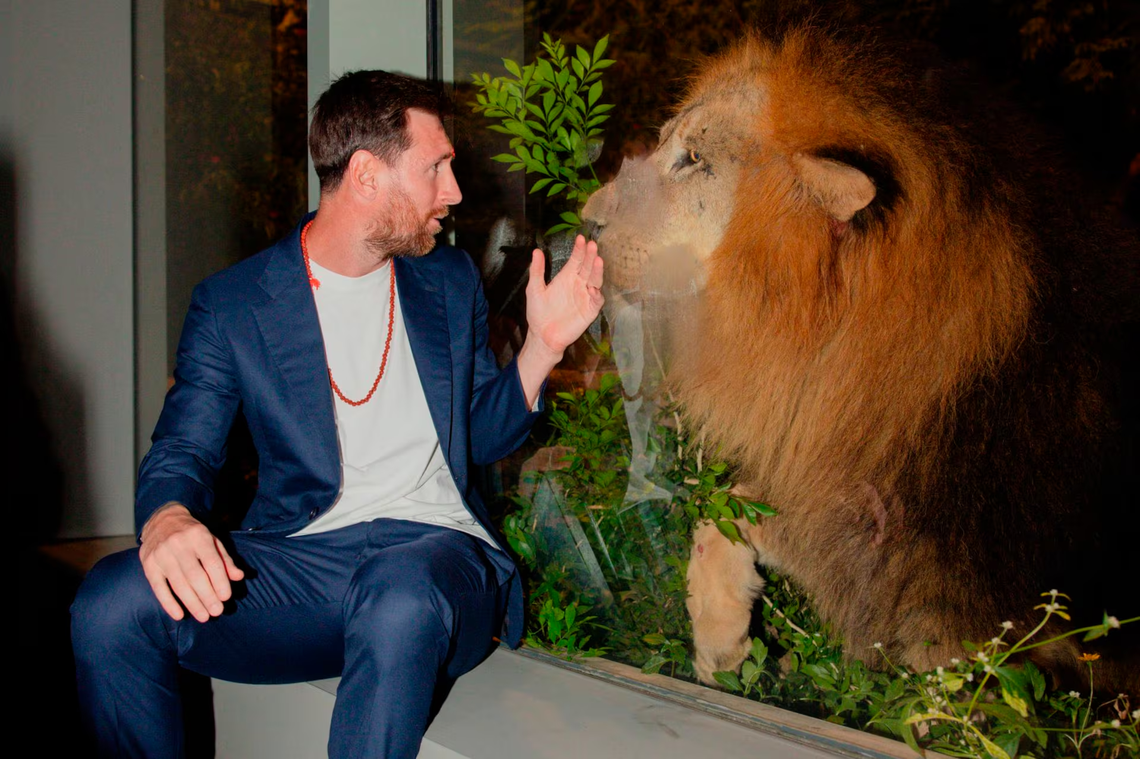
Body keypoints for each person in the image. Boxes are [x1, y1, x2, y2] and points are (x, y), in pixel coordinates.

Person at [70, 70, 604, 758]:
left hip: (436, 561)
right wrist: (168, 517)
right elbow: (183, 450)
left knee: (397, 592)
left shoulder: (447, 280)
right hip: (308, 564)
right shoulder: (234, 305)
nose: (454, 190)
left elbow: (480, 435)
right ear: (366, 175)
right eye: (436, 166)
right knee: (112, 602)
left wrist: (542, 348)